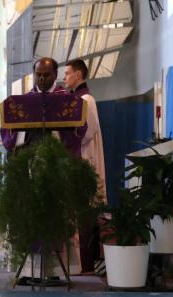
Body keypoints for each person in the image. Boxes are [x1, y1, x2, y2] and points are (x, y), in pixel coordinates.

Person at [64, 58, 107, 273]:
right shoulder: (76, 98)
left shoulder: (86, 99)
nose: (65, 78)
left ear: (79, 75)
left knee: (84, 212)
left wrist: (64, 139)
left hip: (84, 159)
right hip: (78, 158)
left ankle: (85, 263)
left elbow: (87, 132)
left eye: (68, 73)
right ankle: (79, 263)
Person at [0, 57, 87, 157]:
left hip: (58, 156)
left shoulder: (68, 101)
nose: (41, 78)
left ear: (55, 75)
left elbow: (79, 130)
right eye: (38, 74)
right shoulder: (24, 101)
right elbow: (8, 130)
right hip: (31, 155)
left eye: (46, 75)